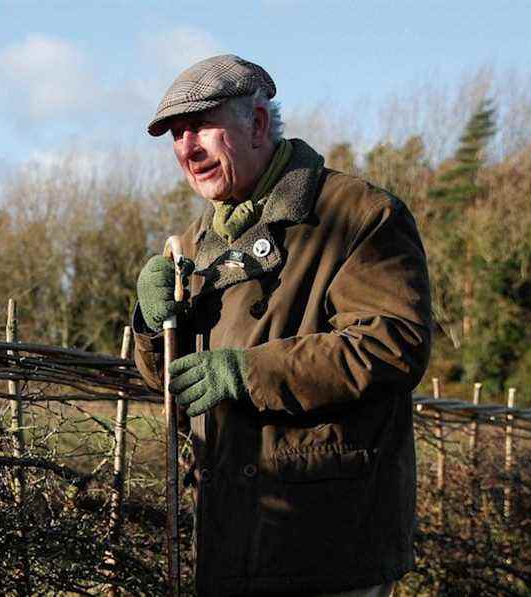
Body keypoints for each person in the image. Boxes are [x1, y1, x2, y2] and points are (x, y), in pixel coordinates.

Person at [132, 54, 432, 596]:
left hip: (325, 538)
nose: (186, 148)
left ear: (259, 123)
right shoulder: (198, 243)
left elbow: (392, 344)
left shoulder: (355, 214)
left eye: (201, 125)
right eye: (176, 134)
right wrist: (154, 329)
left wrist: (247, 374)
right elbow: (175, 386)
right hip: (229, 536)